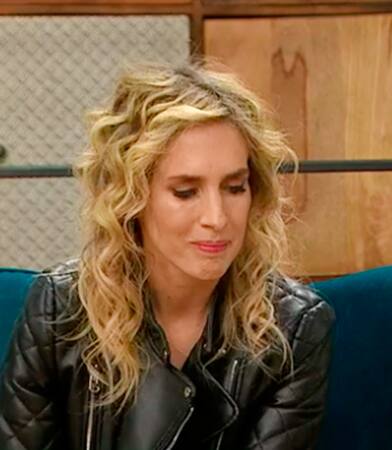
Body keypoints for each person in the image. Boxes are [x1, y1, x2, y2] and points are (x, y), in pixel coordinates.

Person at [0, 63, 335, 449]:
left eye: (234, 187)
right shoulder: (57, 307)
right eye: (185, 192)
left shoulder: (295, 328)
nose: (217, 218)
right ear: (131, 197)